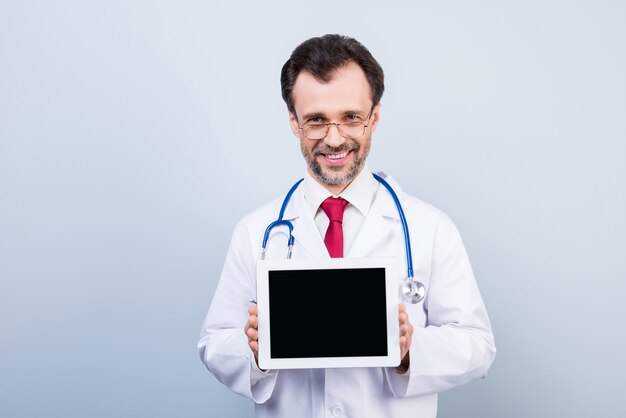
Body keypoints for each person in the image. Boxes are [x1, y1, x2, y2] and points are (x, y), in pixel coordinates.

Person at [198, 34, 495, 418]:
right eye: (316, 120)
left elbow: (478, 345)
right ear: (294, 122)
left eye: (351, 117)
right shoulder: (256, 231)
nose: (334, 138)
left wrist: (411, 349)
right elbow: (213, 345)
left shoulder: (430, 228)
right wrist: (253, 351)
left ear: (374, 118)